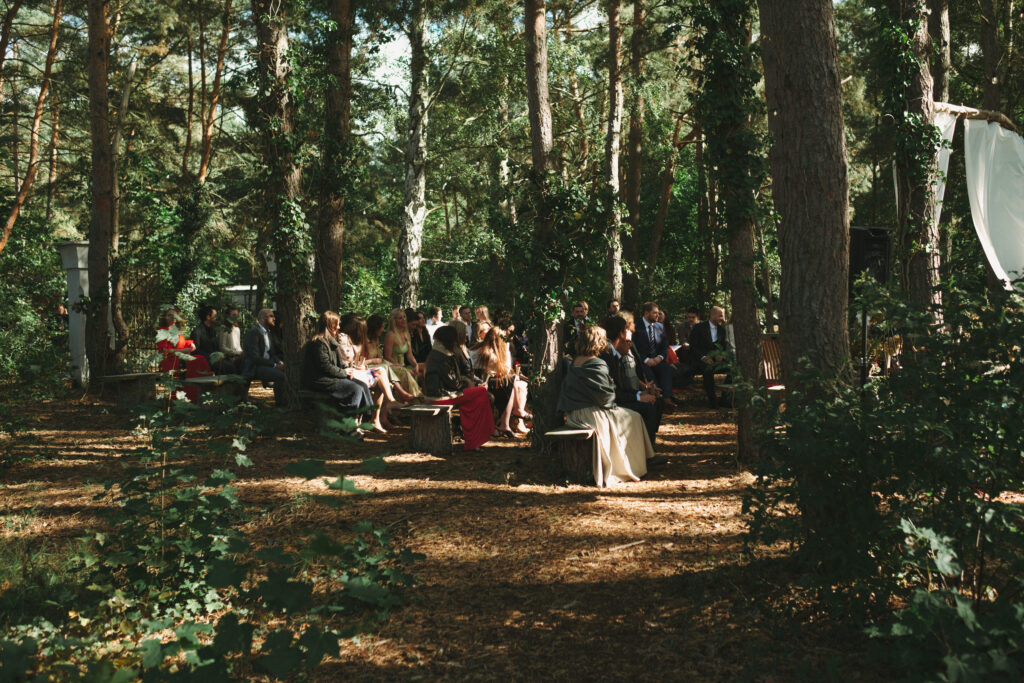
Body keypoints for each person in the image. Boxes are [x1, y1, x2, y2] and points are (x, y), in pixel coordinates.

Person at [557, 325, 655, 487]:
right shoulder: (597, 363)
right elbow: (607, 399)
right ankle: (634, 465)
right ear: (598, 343)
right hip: (592, 414)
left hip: (575, 414)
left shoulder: (575, 362)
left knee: (629, 415)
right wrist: (612, 387)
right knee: (634, 417)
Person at [301, 311, 373, 439]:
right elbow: (325, 367)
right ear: (330, 325)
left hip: (332, 376)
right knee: (354, 389)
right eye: (337, 324)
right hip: (320, 379)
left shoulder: (332, 341)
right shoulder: (318, 343)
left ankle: (365, 417)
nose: (339, 327)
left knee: (362, 385)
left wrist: (348, 370)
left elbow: (340, 362)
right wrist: (343, 372)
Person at [424, 325, 494, 451]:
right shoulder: (442, 356)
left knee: (476, 398)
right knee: (481, 393)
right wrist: (469, 383)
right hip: (440, 396)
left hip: (444, 394)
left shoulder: (439, 353)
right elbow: (453, 383)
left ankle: (474, 440)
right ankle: (475, 439)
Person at [600, 315, 663, 447]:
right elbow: (613, 391)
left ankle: (648, 445)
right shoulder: (607, 356)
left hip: (617, 398)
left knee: (656, 402)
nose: (629, 344)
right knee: (647, 407)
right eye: (626, 331)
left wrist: (642, 392)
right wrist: (638, 396)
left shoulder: (615, 354)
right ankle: (645, 451)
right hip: (607, 405)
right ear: (621, 334)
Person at [475, 326, 531, 436]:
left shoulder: (499, 350)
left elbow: (505, 369)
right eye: (503, 338)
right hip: (488, 383)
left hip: (500, 382)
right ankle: (512, 418)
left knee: (519, 383)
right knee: (512, 380)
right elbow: (504, 369)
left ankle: (512, 419)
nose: (506, 339)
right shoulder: (487, 352)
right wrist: (506, 348)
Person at [158, 307, 213, 403]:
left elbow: (183, 343)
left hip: (181, 359)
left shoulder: (176, 330)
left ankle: (200, 395)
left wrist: (191, 344)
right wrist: (186, 350)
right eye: (169, 315)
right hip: (171, 361)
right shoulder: (162, 332)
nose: (172, 317)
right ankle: (189, 397)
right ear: (165, 317)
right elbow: (167, 351)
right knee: (197, 360)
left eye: (174, 315)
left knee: (200, 359)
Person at [366, 314, 422, 400]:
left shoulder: (376, 339)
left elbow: (381, 359)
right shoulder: (366, 340)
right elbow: (385, 357)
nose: (383, 330)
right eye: (381, 327)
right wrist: (392, 364)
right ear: (375, 328)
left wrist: (415, 365)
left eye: (404, 317)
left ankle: (415, 396)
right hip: (371, 367)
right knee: (403, 371)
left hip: (387, 365)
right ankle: (408, 396)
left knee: (416, 370)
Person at [633, 301, 676, 411]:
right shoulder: (636, 326)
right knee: (647, 371)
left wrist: (659, 358)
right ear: (646, 313)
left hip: (657, 360)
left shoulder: (659, 327)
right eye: (655, 313)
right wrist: (646, 360)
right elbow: (634, 348)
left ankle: (667, 399)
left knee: (666, 368)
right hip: (642, 361)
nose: (658, 315)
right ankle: (656, 399)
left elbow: (665, 346)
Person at [241, 308, 287, 406]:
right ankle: (281, 405)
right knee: (281, 376)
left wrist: (280, 362)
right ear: (262, 318)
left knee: (288, 372)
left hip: (266, 365)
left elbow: (273, 354)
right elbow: (255, 358)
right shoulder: (253, 333)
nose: (274, 318)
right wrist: (274, 365)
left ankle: (287, 402)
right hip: (254, 367)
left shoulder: (268, 333)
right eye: (271, 316)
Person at [689, 305, 732, 408]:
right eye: (720, 316)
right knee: (707, 370)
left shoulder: (722, 330)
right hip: (701, 360)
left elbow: (723, 346)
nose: (723, 319)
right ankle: (713, 401)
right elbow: (693, 347)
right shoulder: (699, 327)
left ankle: (724, 398)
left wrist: (721, 355)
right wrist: (704, 357)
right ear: (712, 315)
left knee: (732, 369)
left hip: (717, 360)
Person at [219, 306, 244, 372]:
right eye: (233, 315)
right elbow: (222, 347)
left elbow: (238, 346)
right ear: (228, 316)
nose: (236, 317)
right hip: (228, 358)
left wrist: (242, 352)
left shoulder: (237, 329)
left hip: (238, 356)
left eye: (237, 315)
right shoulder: (224, 328)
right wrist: (237, 353)